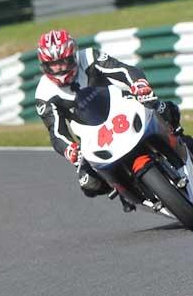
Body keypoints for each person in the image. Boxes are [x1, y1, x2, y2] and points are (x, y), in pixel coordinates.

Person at [34, 29, 192, 211]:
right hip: (92, 134)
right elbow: (56, 132)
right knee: (89, 183)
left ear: (73, 56)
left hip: (120, 109)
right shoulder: (44, 94)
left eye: (63, 61)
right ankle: (123, 188)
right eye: (53, 65)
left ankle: (181, 144)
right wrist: (70, 149)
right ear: (44, 66)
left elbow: (123, 70)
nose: (60, 68)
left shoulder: (90, 57)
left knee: (164, 108)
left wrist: (138, 85)